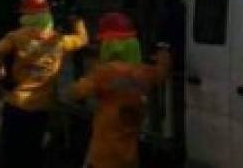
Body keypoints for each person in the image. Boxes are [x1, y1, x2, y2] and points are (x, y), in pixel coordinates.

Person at [0, 0, 89, 168]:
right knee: (33, 155)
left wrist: (1, 74)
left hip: (15, 105)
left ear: (24, 15)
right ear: (47, 14)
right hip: (41, 108)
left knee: (12, 156)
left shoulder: (16, 36)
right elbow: (82, 39)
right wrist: (77, 20)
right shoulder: (59, 41)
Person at [67, 12, 172, 168]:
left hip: (104, 156)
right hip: (129, 156)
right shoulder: (145, 73)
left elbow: (75, 92)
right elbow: (162, 71)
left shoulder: (104, 73)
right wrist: (164, 49)